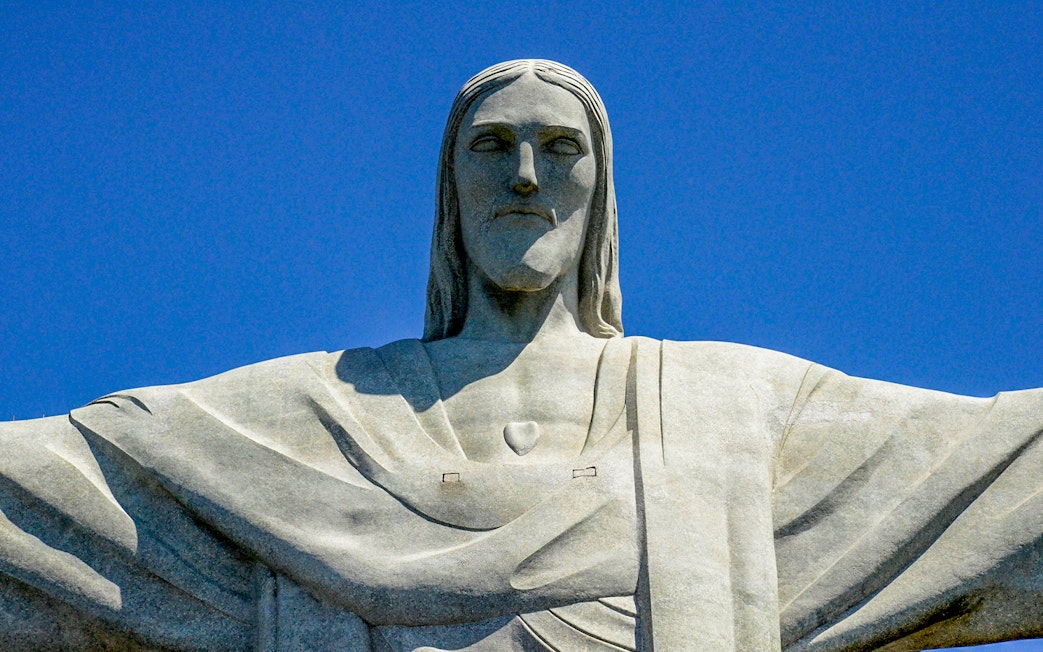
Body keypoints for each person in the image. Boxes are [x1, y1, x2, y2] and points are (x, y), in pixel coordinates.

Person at [0, 59, 1041, 652]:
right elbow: (62, 485)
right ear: (450, 190)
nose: (528, 177)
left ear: (600, 193)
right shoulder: (321, 416)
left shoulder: (727, 406)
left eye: (561, 148)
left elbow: (993, 469)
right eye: (492, 147)